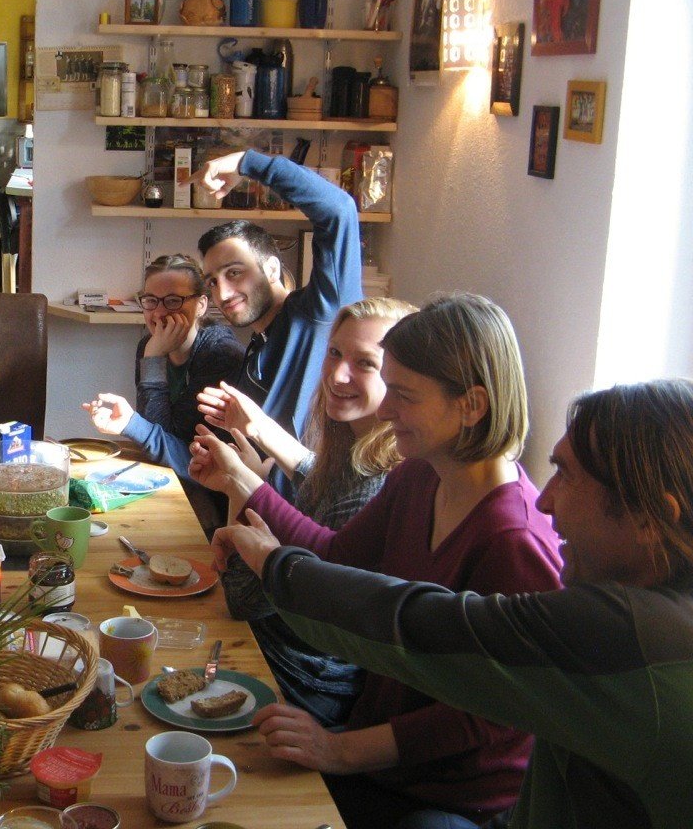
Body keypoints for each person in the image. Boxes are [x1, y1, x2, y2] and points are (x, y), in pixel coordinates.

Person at [216, 378, 693, 829]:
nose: (545, 502)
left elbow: (419, 624)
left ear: (653, 518)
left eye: (566, 476)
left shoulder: (629, 634)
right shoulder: (655, 615)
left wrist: (276, 562)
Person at [191, 293, 563, 829]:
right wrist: (259, 533)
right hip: (377, 759)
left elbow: (485, 717)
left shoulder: (515, 540)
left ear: (472, 405)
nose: (386, 409)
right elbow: (336, 557)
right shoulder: (420, 476)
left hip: (443, 798)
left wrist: (341, 751)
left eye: (405, 395)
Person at [207, 295, 415, 727]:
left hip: (306, 684)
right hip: (291, 658)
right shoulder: (354, 454)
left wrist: (239, 485)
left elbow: (244, 599)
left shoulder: (373, 488)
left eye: (366, 363)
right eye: (335, 353)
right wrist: (252, 444)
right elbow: (315, 471)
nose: (338, 374)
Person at [193, 150, 362, 499]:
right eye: (212, 281)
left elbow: (339, 211)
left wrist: (247, 162)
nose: (223, 292)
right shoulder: (256, 348)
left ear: (271, 269)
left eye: (234, 273)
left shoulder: (318, 313)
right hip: (267, 521)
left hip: (314, 525)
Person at [82, 253, 243, 531]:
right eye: (151, 301)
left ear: (201, 304)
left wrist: (153, 360)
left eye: (173, 301)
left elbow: (184, 448)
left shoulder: (220, 355)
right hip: (174, 478)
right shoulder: (150, 345)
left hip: (216, 497)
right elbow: (160, 438)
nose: (158, 313)